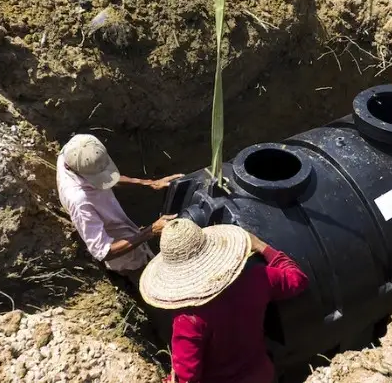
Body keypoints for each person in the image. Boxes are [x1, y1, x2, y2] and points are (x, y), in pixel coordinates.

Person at [139, 218, 309, 383]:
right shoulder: (257, 277)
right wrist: (260, 246)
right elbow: (297, 280)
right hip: (262, 375)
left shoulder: (188, 320)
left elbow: (187, 378)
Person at [56, 133, 183, 281]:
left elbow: (108, 178)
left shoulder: (73, 150)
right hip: (124, 257)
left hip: (127, 229)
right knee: (147, 280)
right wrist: (150, 231)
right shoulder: (79, 201)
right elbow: (103, 252)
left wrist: (149, 183)